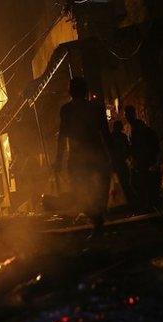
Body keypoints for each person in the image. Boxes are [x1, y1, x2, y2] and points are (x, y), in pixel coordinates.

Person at [54, 77, 111, 236]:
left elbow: (62, 137)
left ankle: (97, 220)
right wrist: (111, 155)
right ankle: (98, 219)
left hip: (80, 158)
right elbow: (105, 133)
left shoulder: (67, 110)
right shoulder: (95, 108)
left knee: (81, 193)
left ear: (70, 92)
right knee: (93, 191)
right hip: (93, 155)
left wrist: (59, 160)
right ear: (85, 91)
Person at [125, 105, 160, 210]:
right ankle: (149, 203)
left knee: (141, 181)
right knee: (140, 181)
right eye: (126, 114)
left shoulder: (137, 126)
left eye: (128, 114)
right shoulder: (133, 126)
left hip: (143, 158)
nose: (126, 116)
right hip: (141, 158)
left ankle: (149, 203)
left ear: (132, 114)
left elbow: (138, 143)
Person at [110, 120, 135, 207]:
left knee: (120, 183)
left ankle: (121, 202)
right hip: (120, 163)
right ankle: (127, 201)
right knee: (124, 182)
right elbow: (127, 149)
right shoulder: (121, 137)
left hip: (116, 164)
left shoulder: (111, 137)